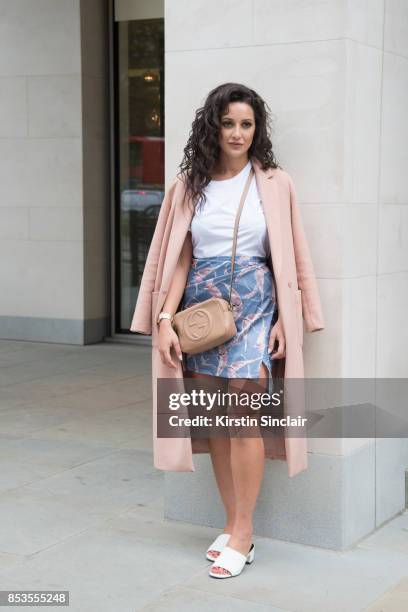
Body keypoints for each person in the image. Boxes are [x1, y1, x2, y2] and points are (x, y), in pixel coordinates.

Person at [157, 83, 289, 579]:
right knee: (215, 420)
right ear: (213, 126)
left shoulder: (273, 183)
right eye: (229, 123)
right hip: (203, 311)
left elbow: (287, 257)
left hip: (256, 306)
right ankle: (233, 524)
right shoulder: (190, 186)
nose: (238, 133)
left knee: (244, 414)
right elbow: (179, 259)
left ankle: (245, 531)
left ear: (257, 130)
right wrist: (166, 318)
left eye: (247, 124)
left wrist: (283, 320)